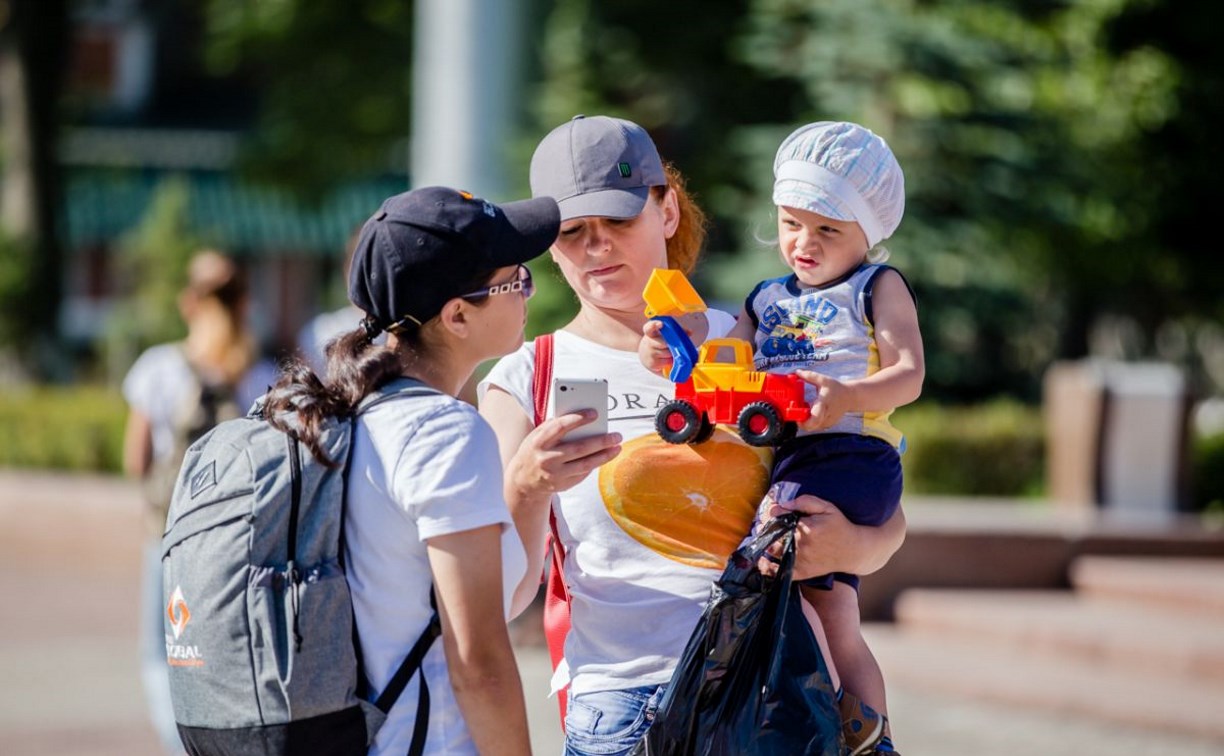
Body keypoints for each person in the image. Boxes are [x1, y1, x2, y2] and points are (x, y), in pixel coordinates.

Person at [479, 114, 908, 756]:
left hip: (770, 692)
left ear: (668, 211)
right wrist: (524, 485)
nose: (597, 247)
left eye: (619, 220)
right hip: (622, 709)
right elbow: (497, 597)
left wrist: (854, 545)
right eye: (572, 232)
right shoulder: (524, 380)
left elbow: (882, 511)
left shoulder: (763, 338)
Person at [640, 120, 923, 755]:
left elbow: (910, 375)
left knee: (777, 574)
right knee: (834, 610)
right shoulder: (766, 298)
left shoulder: (876, 287)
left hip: (850, 452)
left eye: (828, 229)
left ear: (867, 232)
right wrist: (669, 345)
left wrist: (849, 396)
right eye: (792, 223)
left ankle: (819, 706)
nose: (804, 242)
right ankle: (868, 731)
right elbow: (722, 355)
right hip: (801, 451)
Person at [261, 186, 559, 755]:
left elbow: (465, 601)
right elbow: (478, 662)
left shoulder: (345, 417)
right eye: (516, 279)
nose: (530, 290)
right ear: (457, 316)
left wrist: (526, 486)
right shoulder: (444, 433)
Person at [122, 249, 278, 754]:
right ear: (245, 302)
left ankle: (183, 744)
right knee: (233, 655)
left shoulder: (160, 367)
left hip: (170, 538)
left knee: (162, 656)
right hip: (241, 544)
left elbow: (136, 459)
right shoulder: (262, 373)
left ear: (189, 302)